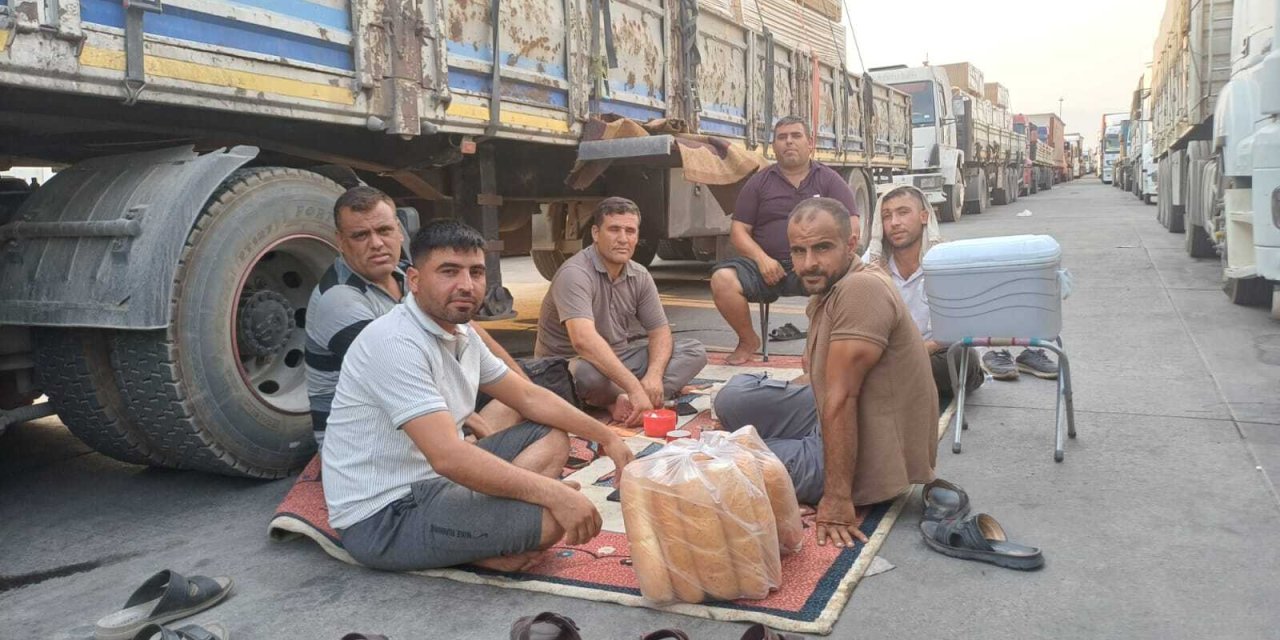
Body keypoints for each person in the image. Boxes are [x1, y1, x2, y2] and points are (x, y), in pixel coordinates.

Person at [321, 219, 634, 572]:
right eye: (449, 271)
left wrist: (607, 436)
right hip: (385, 516)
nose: (466, 285)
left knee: (549, 435)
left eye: (476, 272)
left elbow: (529, 398)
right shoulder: (395, 343)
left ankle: (485, 528)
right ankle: (483, 545)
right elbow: (449, 458)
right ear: (415, 280)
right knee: (554, 519)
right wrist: (552, 493)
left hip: (434, 483)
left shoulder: (461, 331)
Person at [714, 197, 937, 548]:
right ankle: (774, 444)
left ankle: (800, 463)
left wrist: (836, 499)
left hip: (865, 448)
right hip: (830, 411)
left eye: (822, 248)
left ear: (851, 244)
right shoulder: (830, 283)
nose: (808, 263)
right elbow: (821, 381)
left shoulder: (861, 289)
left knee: (722, 465)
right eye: (798, 252)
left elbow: (841, 397)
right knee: (732, 399)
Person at [305, 186, 527, 448]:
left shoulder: (405, 273)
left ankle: (474, 454)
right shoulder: (339, 300)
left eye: (384, 231)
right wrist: (473, 422)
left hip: (416, 402)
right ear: (340, 242)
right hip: (368, 435)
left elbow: (466, 327)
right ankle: (473, 457)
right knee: (520, 415)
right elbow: (401, 376)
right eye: (360, 235)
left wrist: (520, 380)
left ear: (399, 231)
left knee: (521, 396)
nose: (376, 243)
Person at [535, 197, 707, 424]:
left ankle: (629, 399)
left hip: (618, 359)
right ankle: (622, 399)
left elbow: (660, 331)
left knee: (693, 351)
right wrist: (634, 385)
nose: (623, 239)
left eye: (630, 231)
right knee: (586, 376)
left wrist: (654, 376)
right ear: (596, 233)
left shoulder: (640, 275)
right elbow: (583, 342)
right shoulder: (575, 273)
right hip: (570, 363)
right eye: (614, 230)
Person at [710, 116, 860, 364]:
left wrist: (825, 258)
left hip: (816, 264)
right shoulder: (759, 182)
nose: (789, 142)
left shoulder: (830, 180)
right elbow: (738, 230)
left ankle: (819, 350)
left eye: (796, 136)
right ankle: (748, 340)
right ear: (773, 146)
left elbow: (852, 227)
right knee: (722, 279)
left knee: (849, 281)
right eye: (782, 137)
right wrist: (762, 259)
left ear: (810, 143)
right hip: (767, 266)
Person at [864, 184, 983, 397]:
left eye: (903, 212)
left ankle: (884, 386)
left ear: (924, 216)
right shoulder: (872, 264)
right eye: (886, 216)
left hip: (934, 352)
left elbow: (961, 329)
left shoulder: (947, 261)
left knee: (961, 359)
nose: (894, 223)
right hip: (889, 354)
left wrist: (914, 350)